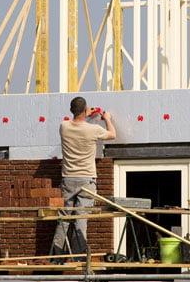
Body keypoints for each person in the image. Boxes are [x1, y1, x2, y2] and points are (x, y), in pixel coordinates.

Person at [51, 96, 116, 262]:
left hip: (68, 179)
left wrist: (84, 114)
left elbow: (77, 122)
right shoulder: (93, 129)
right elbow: (112, 135)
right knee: (81, 219)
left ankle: (56, 258)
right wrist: (107, 119)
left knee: (64, 218)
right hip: (86, 180)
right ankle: (78, 258)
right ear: (85, 109)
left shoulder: (63, 126)